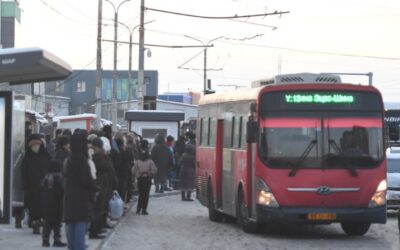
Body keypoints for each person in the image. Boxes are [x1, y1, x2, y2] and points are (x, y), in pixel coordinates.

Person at [64, 133, 97, 250]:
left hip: (70, 195)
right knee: (80, 224)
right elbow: (86, 179)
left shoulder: (70, 158)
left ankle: (72, 247)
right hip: (81, 196)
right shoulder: (82, 159)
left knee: (72, 223)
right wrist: (94, 185)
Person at [21, 134, 51, 234]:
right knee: (34, 208)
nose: (35, 148)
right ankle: (35, 224)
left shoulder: (46, 156)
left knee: (44, 207)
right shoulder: (27, 158)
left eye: (37, 145)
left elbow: (51, 169)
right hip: (32, 188)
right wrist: (25, 187)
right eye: (33, 146)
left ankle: (42, 223)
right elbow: (24, 173)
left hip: (45, 187)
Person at [41, 160, 67, 247]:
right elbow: (61, 191)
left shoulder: (46, 177)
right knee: (57, 222)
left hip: (47, 203)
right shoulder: (58, 177)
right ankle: (57, 239)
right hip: (57, 203)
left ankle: (45, 240)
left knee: (47, 222)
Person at [132, 148, 157, 215]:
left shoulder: (137, 162)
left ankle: (138, 208)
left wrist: (138, 175)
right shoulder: (150, 162)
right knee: (146, 195)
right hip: (147, 179)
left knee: (141, 194)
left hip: (140, 179)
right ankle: (144, 209)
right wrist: (150, 174)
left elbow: (133, 171)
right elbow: (154, 170)